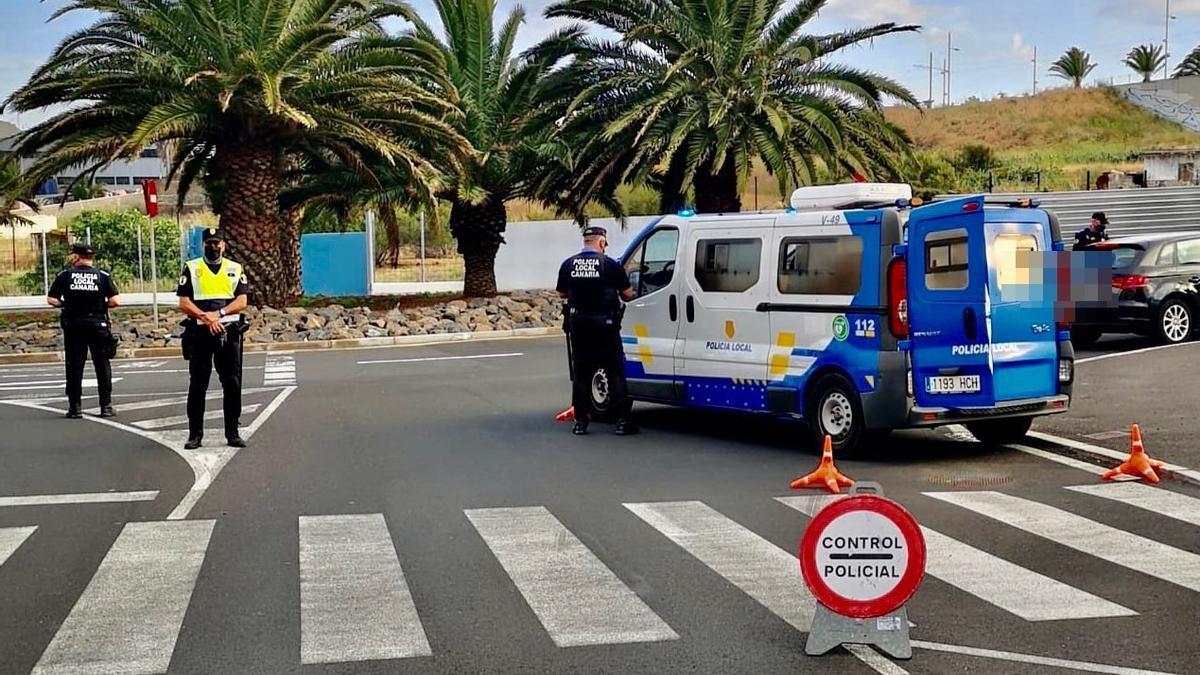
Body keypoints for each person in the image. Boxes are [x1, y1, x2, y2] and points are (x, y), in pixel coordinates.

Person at [556, 226, 637, 436]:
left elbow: (561, 293)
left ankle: (580, 423)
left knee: (582, 372)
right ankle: (621, 422)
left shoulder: (568, 264)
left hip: (579, 323)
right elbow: (628, 294)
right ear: (601, 243)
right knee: (614, 371)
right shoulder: (610, 265)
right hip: (605, 323)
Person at [177, 228, 249, 449]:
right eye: (209, 243)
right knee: (198, 384)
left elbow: (242, 300)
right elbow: (183, 302)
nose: (213, 247)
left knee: (232, 382)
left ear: (224, 245)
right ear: (203, 245)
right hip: (200, 332)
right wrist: (205, 318)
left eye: (217, 243)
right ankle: (195, 434)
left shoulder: (235, 269)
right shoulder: (192, 268)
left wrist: (220, 315)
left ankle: (233, 433)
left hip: (228, 332)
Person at [47, 243, 121, 419]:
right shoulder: (102, 276)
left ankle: (75, 408)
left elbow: (51, 300)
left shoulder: (65, 276)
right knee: (102, 365)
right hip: (98, 325)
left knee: (74, 366)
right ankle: (106, 406)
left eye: (72, 255)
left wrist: (66, 304)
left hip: (74, 325)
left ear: (76, 257)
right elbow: (116, 301)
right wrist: (101, 305)